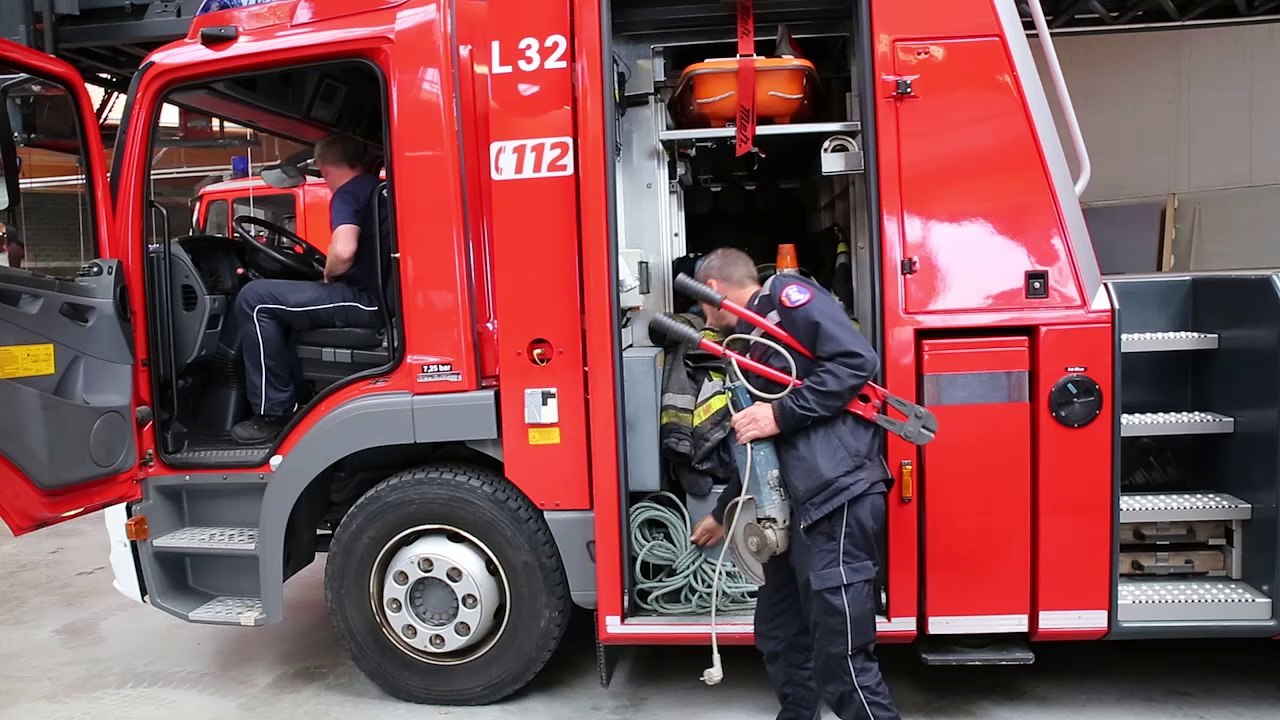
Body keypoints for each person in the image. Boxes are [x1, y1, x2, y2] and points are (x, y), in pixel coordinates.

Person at [689, 247, 899, 720]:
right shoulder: (749, 345)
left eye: (701, 303)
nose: (703, 315)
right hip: (790, 510)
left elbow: (855, 360)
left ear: (713, 290)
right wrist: (725, 511)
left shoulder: (786, 296)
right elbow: (759, 449)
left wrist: (782, 413)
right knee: (781, 634)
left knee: (841, 658)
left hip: (835, 499)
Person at [230, 133, 384, 444]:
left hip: (364, 300)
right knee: (281, 304)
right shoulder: (374, 188)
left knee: (254, 299)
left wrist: (328, 273)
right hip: (377, 296)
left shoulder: (348, 193)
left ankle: (273, 413)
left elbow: (343, 252)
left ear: (323, 167)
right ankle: (300, 396)